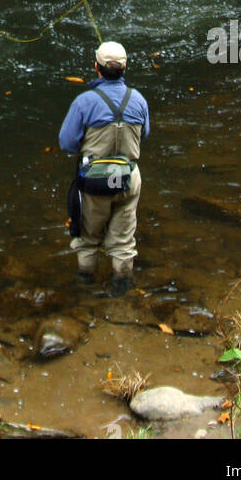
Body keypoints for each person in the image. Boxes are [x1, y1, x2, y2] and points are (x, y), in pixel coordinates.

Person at [58, 40, 149, 294]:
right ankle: (122, 293)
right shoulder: (139, 100)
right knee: (122, 243)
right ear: (124, 67)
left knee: (87, 242)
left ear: (96, 67)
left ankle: (86, 292)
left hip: (94, 182)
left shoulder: (84, 102)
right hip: (128, 179)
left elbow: (66, 143)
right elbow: (145, 135)